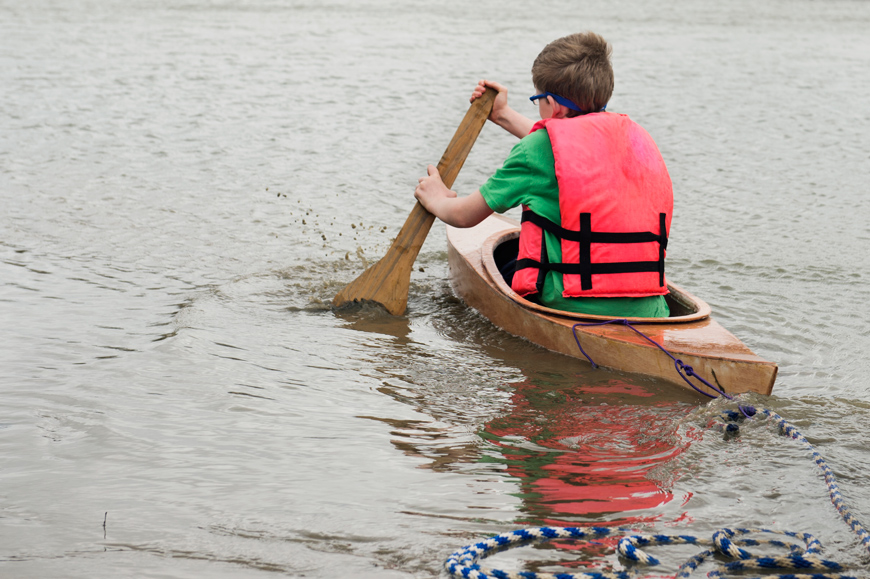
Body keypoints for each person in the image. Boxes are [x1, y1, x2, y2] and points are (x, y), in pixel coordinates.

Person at [414, 32, 672, 318]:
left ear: (553, 104)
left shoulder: (534, 151)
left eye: (537, 100)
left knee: (503, 255)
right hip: (651, 307)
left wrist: (436, 198)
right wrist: (502, 115)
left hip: (569, 304)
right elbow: (562, 151)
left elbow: (464, 216)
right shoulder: (634, 140)